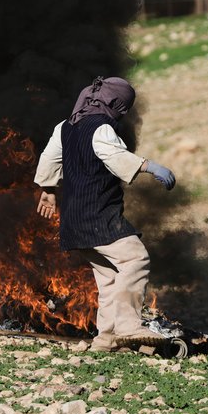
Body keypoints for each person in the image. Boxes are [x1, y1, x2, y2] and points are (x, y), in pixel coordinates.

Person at [33, 76, 177, 351]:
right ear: (114, 103)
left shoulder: (65, 127)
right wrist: (150, 166)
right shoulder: (101, 127)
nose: (123, 113)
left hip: (74, 220)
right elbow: (112, 155)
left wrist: (48, 190)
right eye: (123, 107)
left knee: (109, 275)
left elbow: (50, 158)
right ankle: (128, 325)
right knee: (135, 258)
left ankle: (106, 338)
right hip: (97, 215)